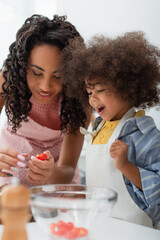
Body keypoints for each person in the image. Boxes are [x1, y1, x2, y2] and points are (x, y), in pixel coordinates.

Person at [59, 32, 160, 228]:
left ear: (127, 87)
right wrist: (80, 195)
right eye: (89, 92)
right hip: (101, 224)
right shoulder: (97, 129)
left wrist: (125, 166)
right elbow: (97, 179)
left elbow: (157, 190)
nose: (92, 99)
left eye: (100, 90)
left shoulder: (145, 135)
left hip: (135, 228)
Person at [0, 14, 89, 187]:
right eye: (37, 73)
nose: (46, 87)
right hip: (7, 179)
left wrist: (51, 173)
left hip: (55, 185)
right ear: (23, 66)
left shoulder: (79, 101)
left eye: (58, 76)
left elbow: (68, 169)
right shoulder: (8, 81)